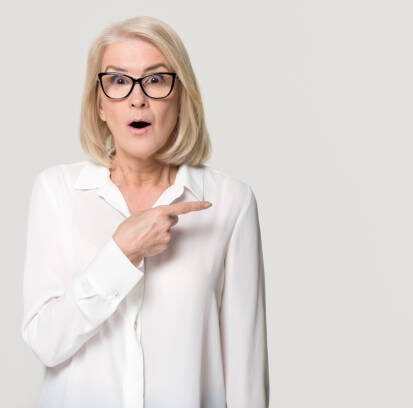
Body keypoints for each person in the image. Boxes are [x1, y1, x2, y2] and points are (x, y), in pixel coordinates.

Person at [20, 16, 269, 408]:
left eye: (155, 80)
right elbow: (46, 343)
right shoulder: (57, 192)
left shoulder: (230, 202)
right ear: (99, 104)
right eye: (119, 81)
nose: (138, 98)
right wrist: (121, 253)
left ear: (180, 97)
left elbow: (245, 373)